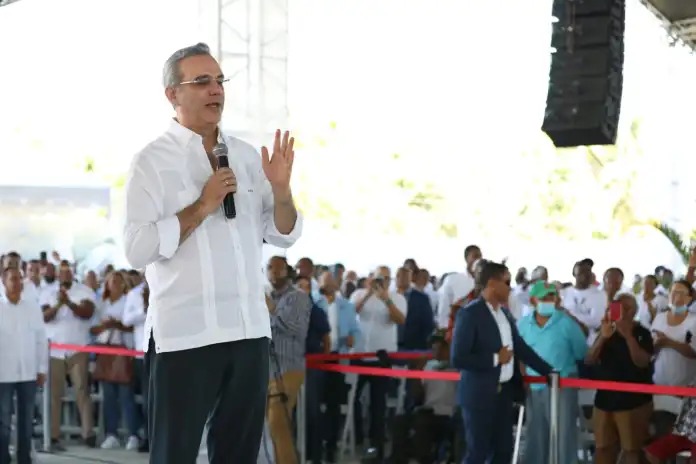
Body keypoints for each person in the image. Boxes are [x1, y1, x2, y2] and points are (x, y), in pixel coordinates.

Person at [123, 42, 302, 464]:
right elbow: (137, 248)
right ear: (173, 93)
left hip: (248, 332)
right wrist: (203, 206)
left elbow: (283, 234)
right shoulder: (151, 162)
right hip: (185, 335)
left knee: (239, 455)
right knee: (174, 455)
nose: (215, 90)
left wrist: (281, 191)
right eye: (202, 81)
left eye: (219, 80)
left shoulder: (245, 156)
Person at [451, 261, 552, 464]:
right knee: (477, 453)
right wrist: (496, 359)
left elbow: (520, 347)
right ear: (492, 283)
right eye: (506, 282)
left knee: (503, 452)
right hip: (479, 395)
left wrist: (548, 371)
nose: (510, 288)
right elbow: (458, 358)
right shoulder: (470, 314)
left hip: (503, 394)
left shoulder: (505, 314)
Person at [517, 281, 587, 464]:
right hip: (534, 385)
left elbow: (581, 352)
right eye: (544, 297)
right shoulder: (523, 324)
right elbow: (518, 354)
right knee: (535, 432)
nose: (549, 301)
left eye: (551, 297)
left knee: (564, 433)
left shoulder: (566, 323)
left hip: (562, 384)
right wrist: (523, 377)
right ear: (533, 300)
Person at [0, 267, 48, 464]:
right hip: (3, 372)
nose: (17, 283)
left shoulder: (32, 307)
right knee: (3, 420)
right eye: (12, 279)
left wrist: (41, 368)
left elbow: (41, 339)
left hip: (28, 371)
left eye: (19, 279)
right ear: (4, 281)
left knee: (26, 420)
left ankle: (24, 458)